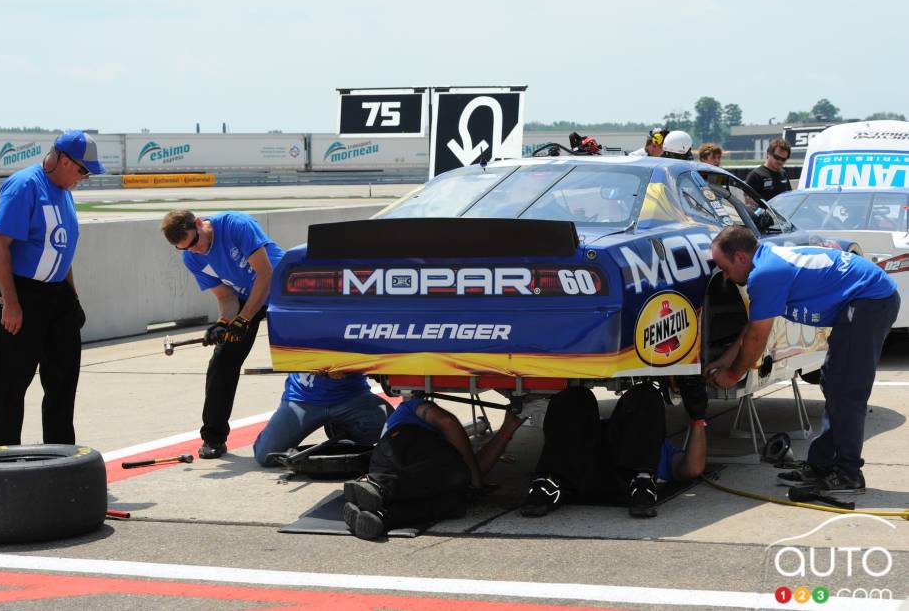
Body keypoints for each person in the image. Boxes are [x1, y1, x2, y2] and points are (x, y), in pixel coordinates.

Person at [707, 226, 899, 493]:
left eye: (723, 267)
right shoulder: (766, 262)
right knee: (834, 383)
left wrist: (731, 375)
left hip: (870, 300)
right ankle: (822, 465)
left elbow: (756, 339)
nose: (725, 277)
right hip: (864, 299)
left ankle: (848, 473)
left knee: (846, 390)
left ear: (740, 257)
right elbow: (753, 327)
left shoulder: (765, 273)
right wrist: (727, 361)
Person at [0, 130, 104, 447]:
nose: (85, 178)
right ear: (64, 160)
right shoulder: (25, 186)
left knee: (63, 378)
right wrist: (10, 303)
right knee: (10, 384)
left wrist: (73, 296)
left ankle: (60, 456)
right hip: (20, 290)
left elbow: (61, 250)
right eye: (83, 171)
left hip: (56, 291)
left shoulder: (64, 191)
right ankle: (2, 461)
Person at [161, 209, 285, 459]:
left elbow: (266, 274)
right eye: (184, 248)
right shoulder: (192, 257)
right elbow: (226, 296)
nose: (194, 250)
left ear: (199, 223)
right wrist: (224, 322)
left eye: (194, 242)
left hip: (282, 286)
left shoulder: (236, 225)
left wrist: (244, 319)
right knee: (222, 362)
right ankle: (213, 437)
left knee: (303, 354)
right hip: (244, 296)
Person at [342, 396, 525, 540]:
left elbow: (472, 471)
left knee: (455, 501)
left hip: (393, 467)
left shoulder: (439, 454)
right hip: (399, 442)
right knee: (457, 475)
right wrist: (473, 480)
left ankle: (381, 516)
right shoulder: (411, 407)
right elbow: (448, 421)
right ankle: (376, 485)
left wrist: (507, 429)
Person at [520, 381, 707, 519]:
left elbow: (692, 469)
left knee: (646, 393)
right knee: (576, 396)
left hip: (623, 474)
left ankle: (641, 483)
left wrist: (698, 419)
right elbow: (691, 470)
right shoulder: (646, 440)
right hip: (584, 465)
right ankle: (547, 484)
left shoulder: (653, 446)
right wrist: (697, 417)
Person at [253, 372, 389, 466]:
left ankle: (339, 427)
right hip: (302, 397)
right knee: (266, 456)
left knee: (392, 431)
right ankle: (338, 424)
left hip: (352, 396)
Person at [745, 138, 792, 202]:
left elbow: (790, 196)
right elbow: (749, 203)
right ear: (768, 154)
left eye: (783, 159)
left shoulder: (783, 173)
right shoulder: (756, 175)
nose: (780, 161)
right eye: (777, 157)